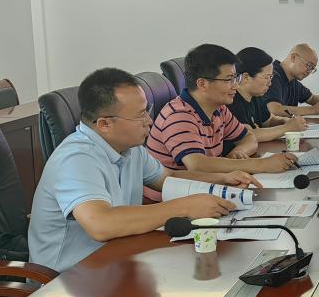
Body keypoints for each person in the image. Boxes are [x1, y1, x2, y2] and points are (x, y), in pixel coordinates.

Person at [28, 67, 261, 272]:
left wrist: (222, 179)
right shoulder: (76, 159)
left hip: (117, 259)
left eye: (147, 110)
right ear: (105, 124)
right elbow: (101, 224)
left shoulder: (129, 148)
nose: (149, 120)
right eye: (141, 115)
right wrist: (185, 206)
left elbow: (168, 177)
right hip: (70, 278)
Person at [145, 44, 298, 201]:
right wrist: (261, 164)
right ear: (202, 84)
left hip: (204, 190)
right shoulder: (179, 115)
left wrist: (238, 152)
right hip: (170, 200)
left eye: (235, 78)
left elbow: (249, 137)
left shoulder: (219, 108)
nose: (236, 85)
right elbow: (197, 164)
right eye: (228, 80)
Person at [230, 47, 309, 142]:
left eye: (271, 77)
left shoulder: (255, 97)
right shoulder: (232, 100)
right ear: (246, 77)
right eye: (267, 77)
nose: (270, 83)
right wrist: (286, 128)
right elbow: (247, 135)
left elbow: (269, 120)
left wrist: (285, 121)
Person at [265, 43, 319, 117]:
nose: (309, 71)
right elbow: (274, 109)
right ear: (293, 57)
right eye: (308, 65)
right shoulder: (272, 75)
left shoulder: (293, 81)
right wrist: (313, 109)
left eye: (312, 68)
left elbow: (311, 98)